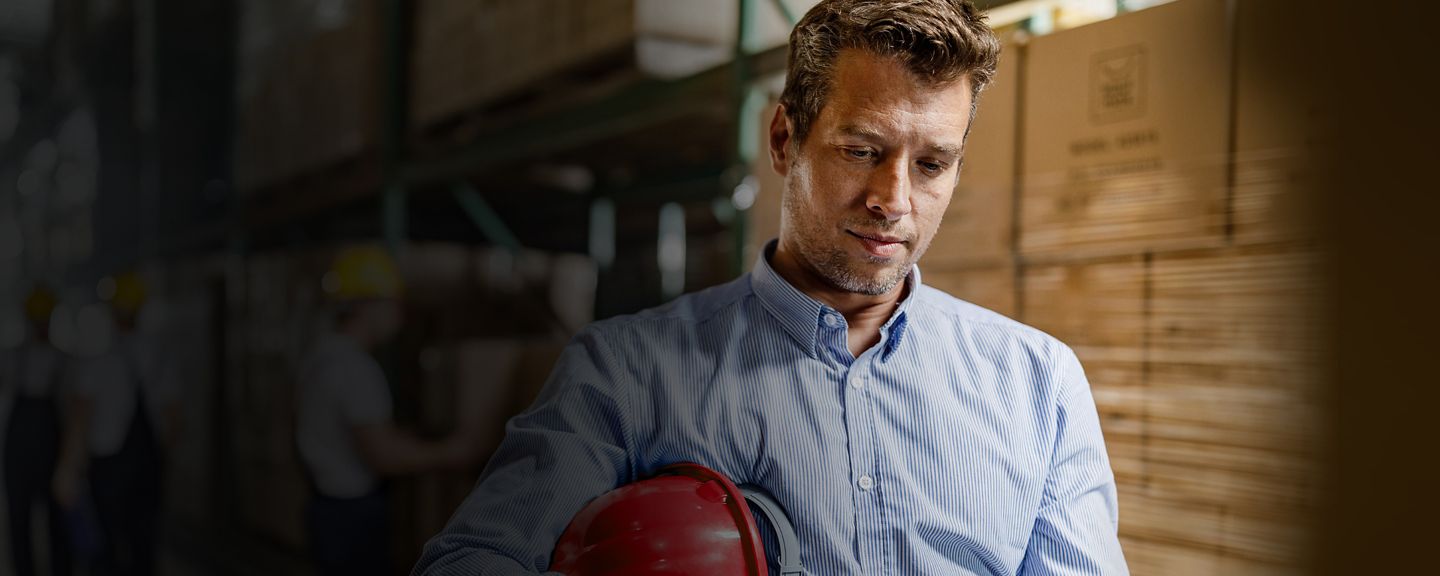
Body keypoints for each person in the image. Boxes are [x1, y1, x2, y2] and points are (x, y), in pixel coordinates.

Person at [415, 1, 1128, 574]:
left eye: (933, 164)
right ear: (785, 139)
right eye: (861, 151)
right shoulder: (627, 372)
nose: (894, 198)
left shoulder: (1039, 384)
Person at [296, 245, 475, 576]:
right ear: (367, 305)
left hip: (326, 508)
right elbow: (384, 457)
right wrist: (451, 452)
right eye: (392, 302)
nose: (399, 313)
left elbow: (349, 432)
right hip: (351, 518)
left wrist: (406, 435)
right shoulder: (355, 368)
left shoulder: (321, 354)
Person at [54, 271, 181, 576]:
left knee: (106, 548)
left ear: (112, 311)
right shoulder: (160, 355)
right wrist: (161, 463)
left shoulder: (98, 360)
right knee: (143, 547)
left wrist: (67, 470)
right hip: (147, 465)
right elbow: (173, 419)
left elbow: (81, 421)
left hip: (108, 467)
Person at [3, 286, 71, 576]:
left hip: (50, 445)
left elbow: (69, 408)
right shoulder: (10, 357)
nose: (42, 324)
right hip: (18, 449)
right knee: (19, 517)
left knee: (56, 516)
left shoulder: (63, 359)